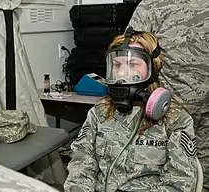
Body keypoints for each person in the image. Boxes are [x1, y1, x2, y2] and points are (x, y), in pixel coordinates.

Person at [64, 28, 198, 192]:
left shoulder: (175, 119)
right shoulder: (99, 112)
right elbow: (81, 165)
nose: (122, 73)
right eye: (117, 64)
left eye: (132, 64)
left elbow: (179, 183)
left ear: (152, 68)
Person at [127, 0, 209, 191]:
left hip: (203, 116)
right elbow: (130, 54)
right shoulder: (152, 5)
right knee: (162, 175)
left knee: (201, 177)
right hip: (164, 114)